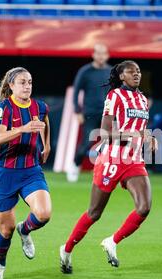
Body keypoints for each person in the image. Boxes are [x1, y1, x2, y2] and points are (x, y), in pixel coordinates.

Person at [59, 60, 158, 273]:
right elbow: (104, 133)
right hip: (111, 161)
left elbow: (140, 128)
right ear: (121, 76)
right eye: (131, 72)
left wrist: (149, 137)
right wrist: (128, 134)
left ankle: (112, 241)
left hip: (133, 161)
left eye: (139, 71)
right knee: (94, 213)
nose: (136, 74)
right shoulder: (114, 96)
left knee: (144, 207)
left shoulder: (142, 99)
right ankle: (66, 250)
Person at [0, 67, 52, 279]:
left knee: (44, 214)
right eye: (22, 82)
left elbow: (44, 122)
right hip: (5, 173)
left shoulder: (39, 106)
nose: (27, 86)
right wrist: (22, 129)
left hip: (31, 170)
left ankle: (24, 230)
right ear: (11, 86)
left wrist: (47, 145)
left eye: (30, 82)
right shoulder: (5, 107)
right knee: (5, 230)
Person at [67, 43, 112, 182]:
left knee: (110, 143)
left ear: (107, 55)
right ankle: (75, 165)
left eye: (103, 53)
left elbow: (116, 93)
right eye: (98, 53)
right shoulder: (85, 71)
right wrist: (77, 111)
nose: (101, 56)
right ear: (93, 55)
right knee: (87, 142)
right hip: (90, 113)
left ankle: (107, 172)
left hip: (107, 114)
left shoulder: (111, 71)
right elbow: (76, 92)